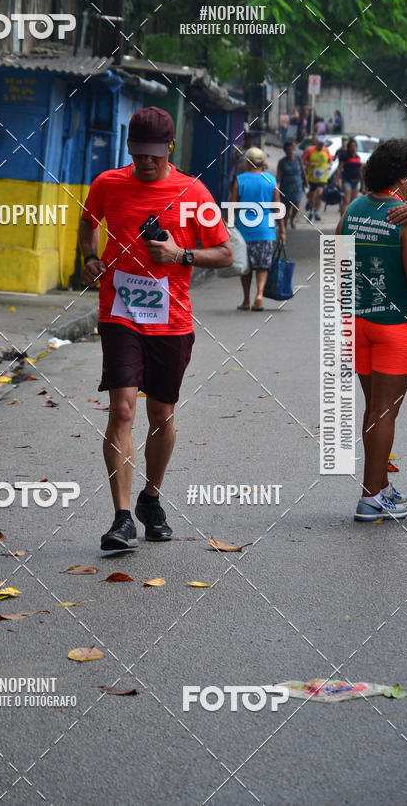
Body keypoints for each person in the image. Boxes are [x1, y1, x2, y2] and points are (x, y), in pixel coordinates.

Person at [79, 106, 233, 550]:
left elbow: (224, 254)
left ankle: (151, 499)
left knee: (160, 415)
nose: (147, 163)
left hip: (172, 320)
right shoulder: (108, 184)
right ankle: (122, 518)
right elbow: (89, 222)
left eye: (155, 155)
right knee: (122, 410)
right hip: (120, 312)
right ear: (130, 147)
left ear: (170, 148)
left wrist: (181, 256)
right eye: (139, 154)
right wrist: (89, 257)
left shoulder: (193, 192)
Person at [336, 138, 407, 522]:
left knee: (373, 409)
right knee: (385, 412)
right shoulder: (404, 219)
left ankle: (380, 488)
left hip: (356, 322)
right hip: (397, 326)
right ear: (403, 178)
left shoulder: (354, 207)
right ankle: (371, 497)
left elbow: (338, 260)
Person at [230, 146, 286, 311]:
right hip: (265, 230)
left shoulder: (240, 180)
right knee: (262, 266)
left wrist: (226, 226)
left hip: (244, 231)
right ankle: (259, 295)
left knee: (245, 267)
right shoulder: (271, 180)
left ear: (247, 162)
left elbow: (232, 206)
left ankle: (246, 299)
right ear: (263, 163)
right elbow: (277, 208)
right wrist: (282, 230)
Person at [276, 139, 306, 228]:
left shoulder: (298, 159)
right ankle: (284, 225)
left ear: (293, 149)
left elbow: (303, 171)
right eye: (287, 150)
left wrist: (306, 182)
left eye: (290, 150)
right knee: (287, 207)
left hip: (297, 186)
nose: (289, 152)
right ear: (285, 151)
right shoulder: (282, 162)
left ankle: (292, 219)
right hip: (286, 187)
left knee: (296, 205)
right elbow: (278, 175)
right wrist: (275, 185)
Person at [303, 134, 332, 221]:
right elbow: (303, 161)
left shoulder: (326, 150)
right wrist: (310, 164)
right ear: (317, 143)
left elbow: (330, 161)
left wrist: (330, 165)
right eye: (320, 144)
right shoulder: (310, 150)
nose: (321, 146)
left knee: (319, 194)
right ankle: (311, 211)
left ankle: (316, 211)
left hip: (322, 178)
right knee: (312, 196)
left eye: (322, 144)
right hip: (312, 177)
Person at [334, 137, 362, 216]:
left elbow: (360, 171)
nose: (353, 147)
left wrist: (363, 183)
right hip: (347, 181)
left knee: (353, 202)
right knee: (346, 200)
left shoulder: (357, 157)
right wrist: (337, 179)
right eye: (352, 146)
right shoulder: (345, 156)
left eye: (355, 146)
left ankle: (350, 219)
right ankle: (342, 220)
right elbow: (339, 168)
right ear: (349, 147)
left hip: (356, 181)